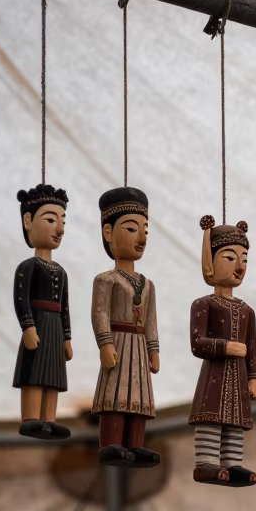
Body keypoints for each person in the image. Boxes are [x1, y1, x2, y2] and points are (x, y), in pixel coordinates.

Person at [91, 186, 161, 468]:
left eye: (145, 229)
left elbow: (151, 321)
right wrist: (105, 343)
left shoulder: (148, 284)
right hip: (119, 342)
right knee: (115, 394)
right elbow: (99, 314)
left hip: (139, 347)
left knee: (139, 397)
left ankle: (136, 444)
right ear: (108, 233)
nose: (142, 236)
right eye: (132, 228)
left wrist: (153, 349)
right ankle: (111, 443)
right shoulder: (106, 280)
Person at [188, 215, 256, 485]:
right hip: (215, 374)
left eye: (244, 259)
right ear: (210, 261)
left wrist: (254, 376)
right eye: (230, 258)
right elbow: (197, 343)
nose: (240, 266)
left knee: (234, 422)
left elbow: (251, 346)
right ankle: (205, 463)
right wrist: (225, 346)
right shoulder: (203, 303)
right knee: (211, 418)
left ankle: (233, 464)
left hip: (238, 377)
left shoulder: (247, 310)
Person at [12, 184, 72, 439]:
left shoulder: (61, 271)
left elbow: (65, 307)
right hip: (37, 322)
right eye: (50, 219)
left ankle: (49, 418)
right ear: (28, 220)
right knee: (35, 373)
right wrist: (27, 325)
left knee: (53, 376)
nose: (59, 228)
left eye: (62, 221)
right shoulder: (28, 266)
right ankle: (31, 417)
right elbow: (20, 298)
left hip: (55, 326)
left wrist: (67, 337)